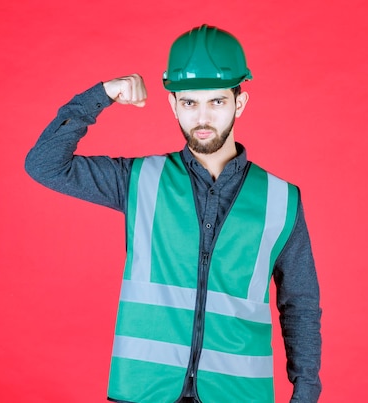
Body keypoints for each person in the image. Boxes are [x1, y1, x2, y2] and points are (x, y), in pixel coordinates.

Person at [25, 24, 321, 403]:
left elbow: (301, 304)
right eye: (189, 103)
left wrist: (306, 393)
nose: (202, 118)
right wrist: (101, 96)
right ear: (173, 105)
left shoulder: (282, 200)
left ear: (239, 103)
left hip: (238, 393)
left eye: (216, 102)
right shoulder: (136, 180)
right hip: (144, 390)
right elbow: (44, 165)